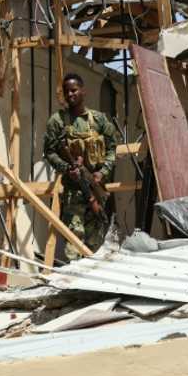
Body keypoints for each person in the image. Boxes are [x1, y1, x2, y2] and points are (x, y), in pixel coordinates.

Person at [44, 73, 120, 259]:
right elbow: (49, 151)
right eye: (67, 91)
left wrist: (102, 173)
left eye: (74, 90)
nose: (70, 94)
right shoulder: (58, 121)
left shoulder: (99, 120)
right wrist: (66, 169)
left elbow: (112, 149)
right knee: (74, 244)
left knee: (94, 244)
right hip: (73, 193)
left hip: (96, 189)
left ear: (83, 91)